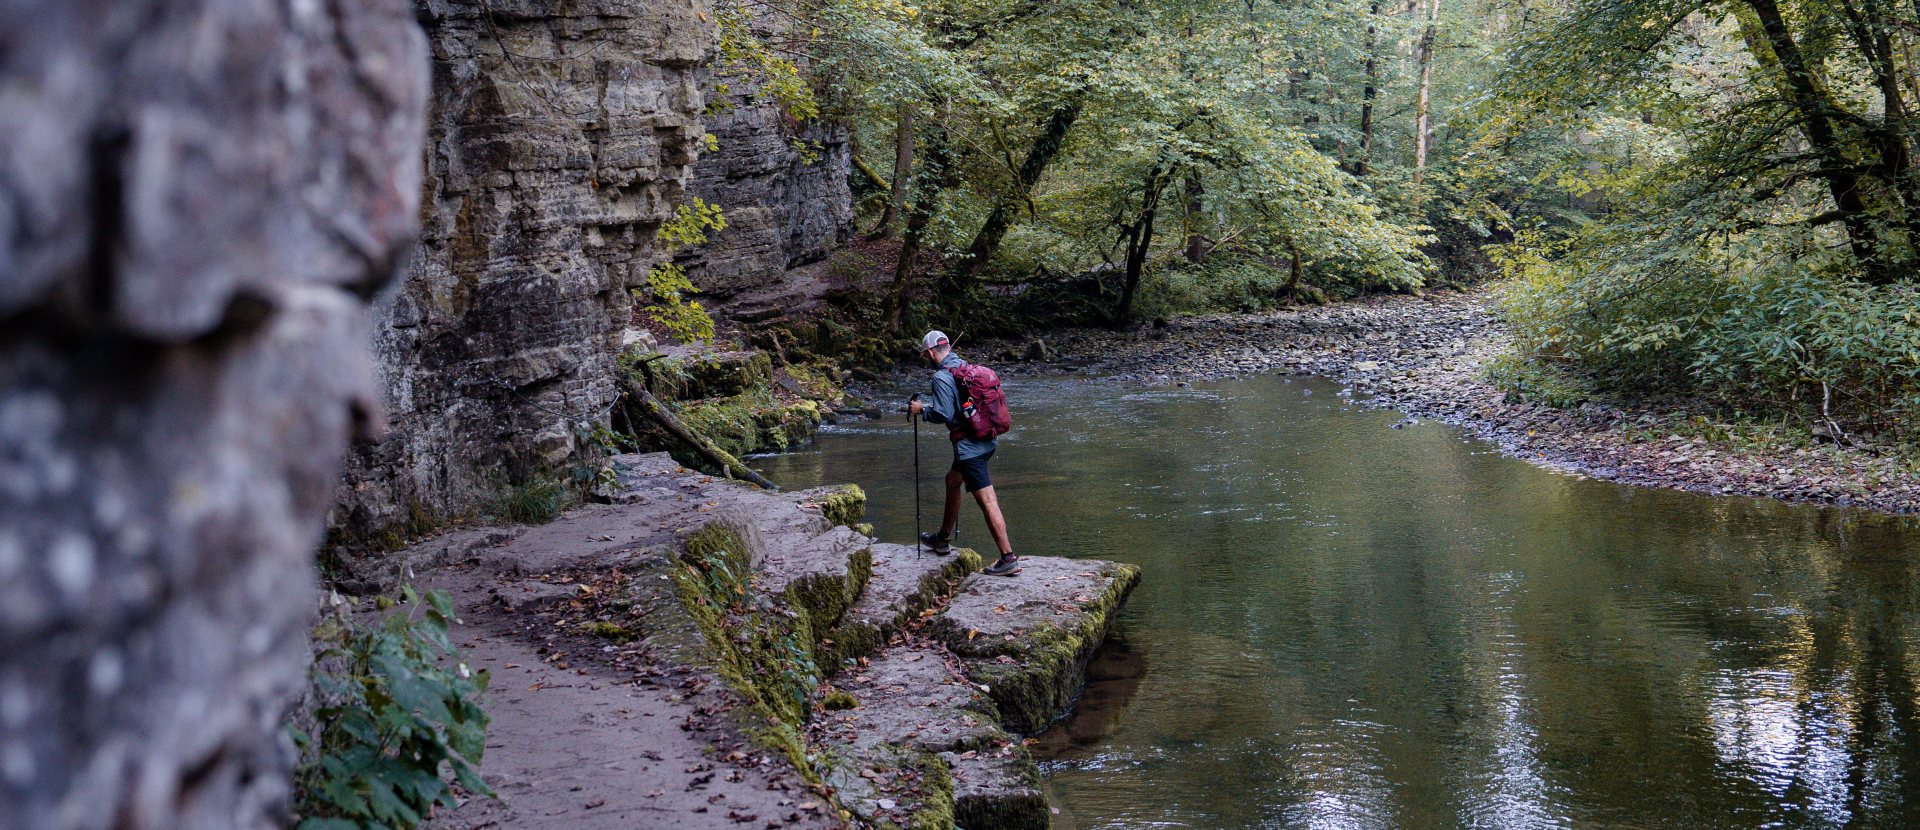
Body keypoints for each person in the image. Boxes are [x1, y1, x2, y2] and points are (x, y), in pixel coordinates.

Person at [907, 330, 1021, 576]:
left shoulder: (941, 377)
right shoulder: (964, 368)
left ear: (929, 353)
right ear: (948, 347)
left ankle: (1007, 558)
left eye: (925, 355)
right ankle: (943, 539)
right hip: (986, 440)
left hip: (970, 450)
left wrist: (921, 409)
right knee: (952, 480)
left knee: (988, 502)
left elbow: (943, 414)